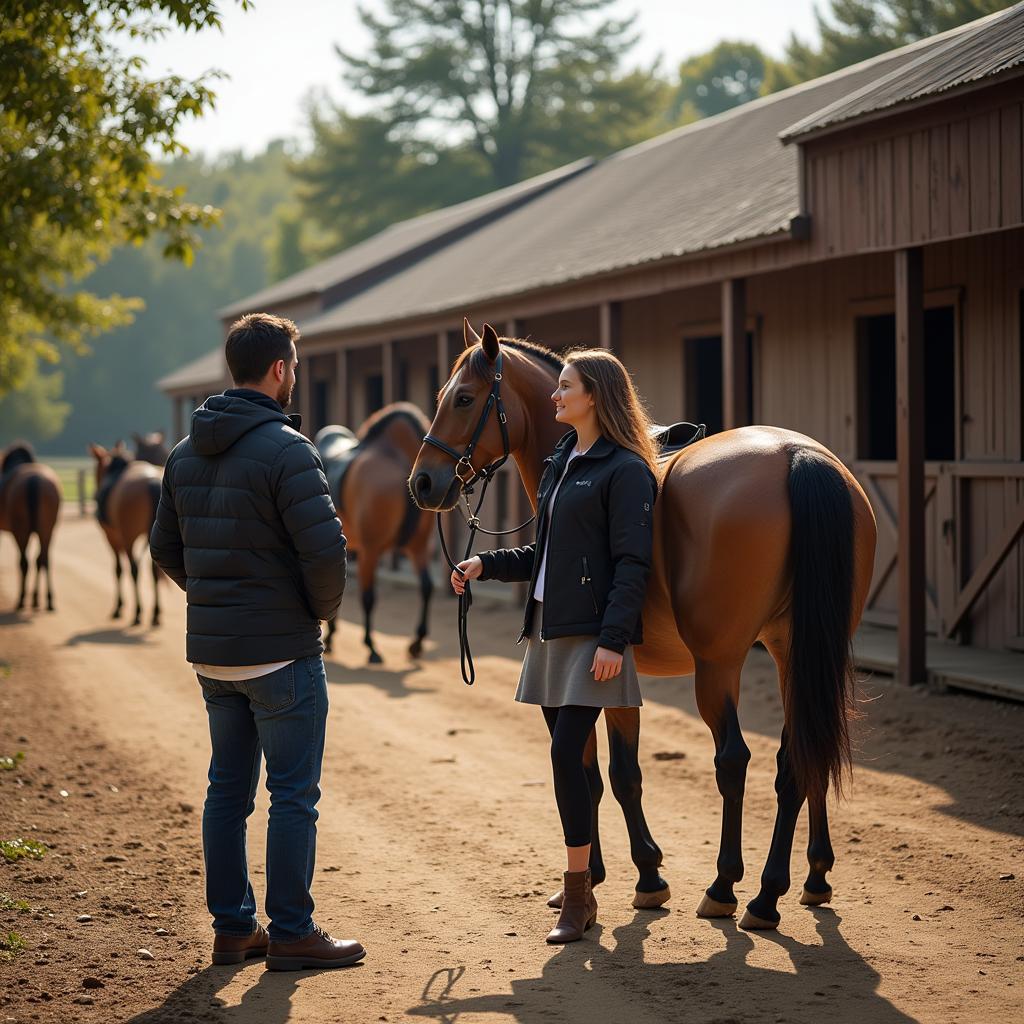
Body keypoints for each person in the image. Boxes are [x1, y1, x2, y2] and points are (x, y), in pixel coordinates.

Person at [150, 312, 364, 972]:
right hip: (282, 654)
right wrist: (316, 615)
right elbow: (326, 554)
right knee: (293, 795)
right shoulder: (288, 450)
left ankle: (234, 929)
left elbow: (164, 548)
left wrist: (213, 601)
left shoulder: (184, 454)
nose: (294, 375)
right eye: (294, 365)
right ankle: (294, 930)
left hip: (214, 658)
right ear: (278, 369)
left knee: (227, 792)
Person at [451, 348, 658, 943]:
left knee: (566, 757)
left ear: (595, 395)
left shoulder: (625, 470)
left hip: (592, 636)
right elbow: (548, 555)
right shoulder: (565, 459)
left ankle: (578, 895)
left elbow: (632, 563)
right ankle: (585, 880)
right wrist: (484, 564)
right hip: (548, 630)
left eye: (564, 387)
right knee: (569, 762)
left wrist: (614, 641)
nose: (554, 395)